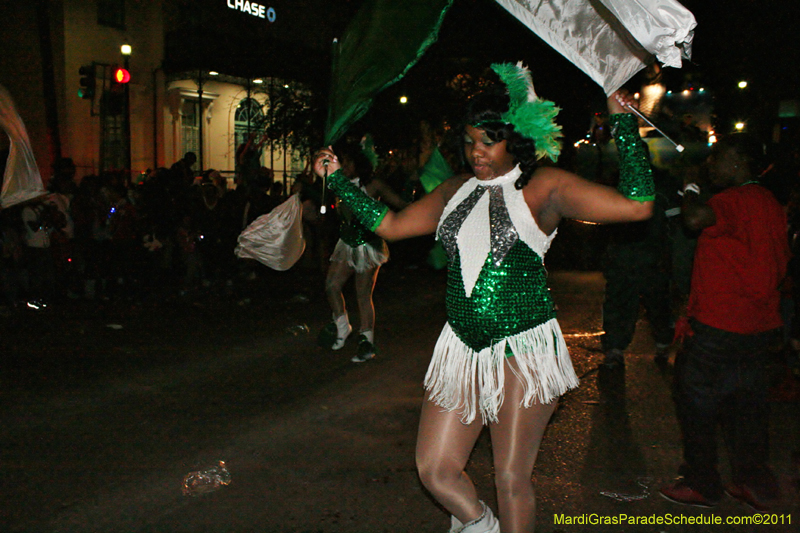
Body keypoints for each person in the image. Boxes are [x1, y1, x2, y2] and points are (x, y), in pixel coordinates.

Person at [313, 63, 654, 532]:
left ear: (513, 138)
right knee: (434, 468)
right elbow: (391, 226)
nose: (476, 152)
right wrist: (336, 181)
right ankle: (479, 524)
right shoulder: (457, 188)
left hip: (523, 347)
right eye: (470, 140)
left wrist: (623, 121)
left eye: (487, 142)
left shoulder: (546, 186)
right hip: (461, 347)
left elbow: (638, 205)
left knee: (511, 477)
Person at [659, 133, 790, 511]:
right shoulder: (769, 202)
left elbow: (695, 218)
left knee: (696, 402)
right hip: (759, 326)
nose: (713, 164)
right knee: (748, 408)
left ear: (739, 163)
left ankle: (703, 482)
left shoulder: (732, 200)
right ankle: (753, 480)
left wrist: (690, 187)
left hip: (719, 325)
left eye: (720, 158)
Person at [317, 142, 407, 363]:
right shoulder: (339, 184)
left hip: (368, 245)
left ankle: (366, 343)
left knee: (362, 294)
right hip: (347, 243)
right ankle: (342, 326)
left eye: (347, 162)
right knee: (331, 285)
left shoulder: (373, 184)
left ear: (359, 164)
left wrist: (419, 206)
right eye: (342, 162)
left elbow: (398, 202)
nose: (344, 166)